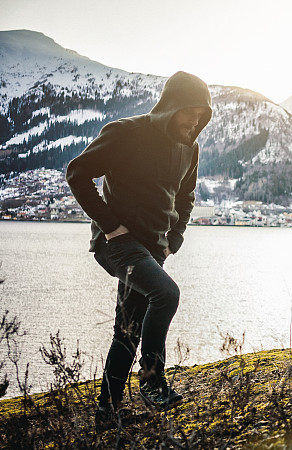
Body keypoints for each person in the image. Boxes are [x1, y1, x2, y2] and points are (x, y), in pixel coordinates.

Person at [65, 71, 212, 428]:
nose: (194, 121)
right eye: (188, 112)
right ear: (170, 106)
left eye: (201, 115)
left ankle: (106, 413)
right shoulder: (127, 133)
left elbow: (185, 197)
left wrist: (174, 236)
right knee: (166, 294)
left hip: (153, 248)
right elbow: (77, 173)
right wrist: (110, 225)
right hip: (117, 244)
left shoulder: (190, 148)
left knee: (127, 330)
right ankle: (151, 381)